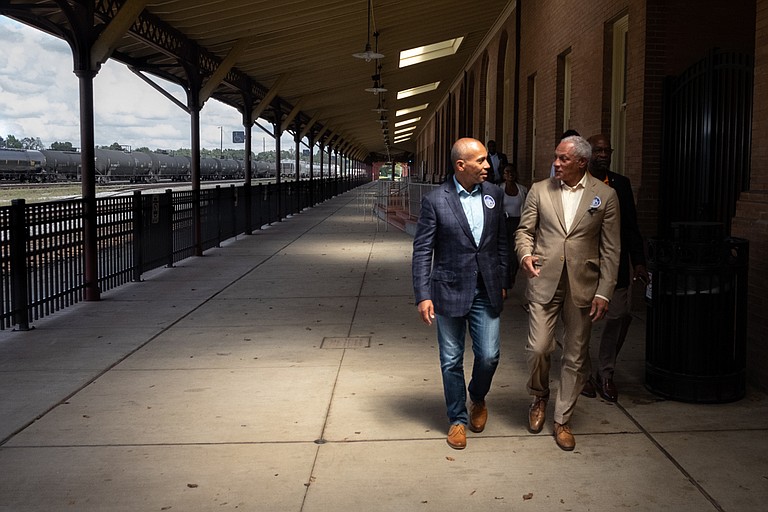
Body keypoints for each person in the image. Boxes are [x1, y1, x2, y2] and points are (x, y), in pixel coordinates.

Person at [515, 135, 621, 451]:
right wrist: (524, 255)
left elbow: (611, 248)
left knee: (575, 354)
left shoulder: (605, 195)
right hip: (543, 279)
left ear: (581, 162)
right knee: (539, 347)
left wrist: (604, 291)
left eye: (563, 158)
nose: (556, 163)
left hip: (584, 286)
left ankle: (562, 419)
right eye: (556, 157)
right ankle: (539, 396)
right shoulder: (538, 190)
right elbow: (524, 231)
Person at [412, 137, 510, 450]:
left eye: (486, 160)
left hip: (487, 288)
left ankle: (477, 397)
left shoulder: (493, 194)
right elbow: (423, 249)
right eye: (480, 161)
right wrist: (422, 293)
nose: (488, 165)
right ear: (461, 165)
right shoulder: (436, 200)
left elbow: (502, 242)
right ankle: (457, 418)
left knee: (489, 355)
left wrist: (505, 278)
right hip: (448, 289)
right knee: (451, 359)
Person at [580, 134, 648, 402]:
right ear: (587, 154)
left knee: (618, 316)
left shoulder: (621, 184)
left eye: (607, 150)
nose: (604, 155)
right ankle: (583, 374)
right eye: (598, 150)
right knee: (580, 322)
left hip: (615, 265)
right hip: (583, 266)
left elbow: (631, 226)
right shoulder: (576, 183)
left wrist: (639, 261)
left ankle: (605, 373)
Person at [499, 163, 528, 287]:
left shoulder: (522, 190)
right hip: (504, 223)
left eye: (512, 172)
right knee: (506, 252)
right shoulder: (499, 189)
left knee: (515, 254)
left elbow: (527, 208)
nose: (510, 174)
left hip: (518, 223)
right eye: (507, 172)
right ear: (503, 175)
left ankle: (512, 275)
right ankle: (506, 279)